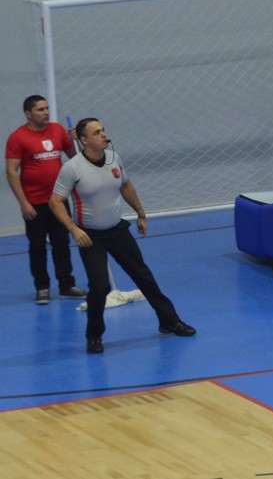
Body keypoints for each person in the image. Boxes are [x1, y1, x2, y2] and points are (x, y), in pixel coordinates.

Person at [49, 118, 195, 354]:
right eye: (97, 132)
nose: (103, 135)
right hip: (90, 236)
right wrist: (73, 229)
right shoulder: (72, 168)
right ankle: (94, 336)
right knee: (99, 287)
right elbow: (55, 202)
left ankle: (169, 321)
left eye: (103, 130)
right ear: (84, 140)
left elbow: (126, 186)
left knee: (143, 276)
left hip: (117, 230)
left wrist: (140, 214)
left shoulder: (114, 158)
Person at [5, 95, 86, 305]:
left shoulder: (58, 130)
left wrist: (77, 140)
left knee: (62, 242)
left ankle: (66, 285)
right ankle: (42, 287)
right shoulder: (18, 137)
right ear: (28, 114)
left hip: (58, 200)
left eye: (47, 108)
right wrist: (23, 203)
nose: (46, 112)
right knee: (37, 246)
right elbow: (12, 172)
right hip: (34, 202)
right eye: (40, 109)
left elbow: (75, 157)